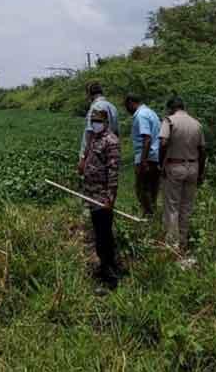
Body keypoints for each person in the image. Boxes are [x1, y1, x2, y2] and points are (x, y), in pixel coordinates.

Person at [158, 96, 206, 260]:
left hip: (174, 166)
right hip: (193, 166)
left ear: (171, 108)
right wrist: (201, 172)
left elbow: (163, 143)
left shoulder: (169, 121)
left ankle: (173, 246)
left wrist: (160, 164)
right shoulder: (196, 124)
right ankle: (184, 242)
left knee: (172, 207)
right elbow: (202, 150)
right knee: (186, 206)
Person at [82, 109, 120, 293]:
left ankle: (109, 278)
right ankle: (108, 266)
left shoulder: (110, 141)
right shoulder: (94, 138)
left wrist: (110, 197)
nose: (94, 123)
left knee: (103, 235)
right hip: (91, 194)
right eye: (92, 120)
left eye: (97, 121)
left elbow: (113, 172)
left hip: (102, 195)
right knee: (100, 232)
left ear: (105, 122)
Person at [124, 94, 161, 218]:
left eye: (126, 106)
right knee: (152, 191)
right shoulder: (151, 113)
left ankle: (148, 218)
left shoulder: (141, 115)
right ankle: (153, 219)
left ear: (131, 102)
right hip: (155, 157)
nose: (127, 109)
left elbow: (147, 138)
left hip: (147, 159)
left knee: (142, 190)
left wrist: (142, 162)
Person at [78, 82, 119, 175]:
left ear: (89, 94)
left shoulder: (96, 107)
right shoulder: (112, 107)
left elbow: (90, 134)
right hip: (110, 152)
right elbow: (116, 133)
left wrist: (83, 158)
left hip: (97, 156)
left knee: (95, 185)